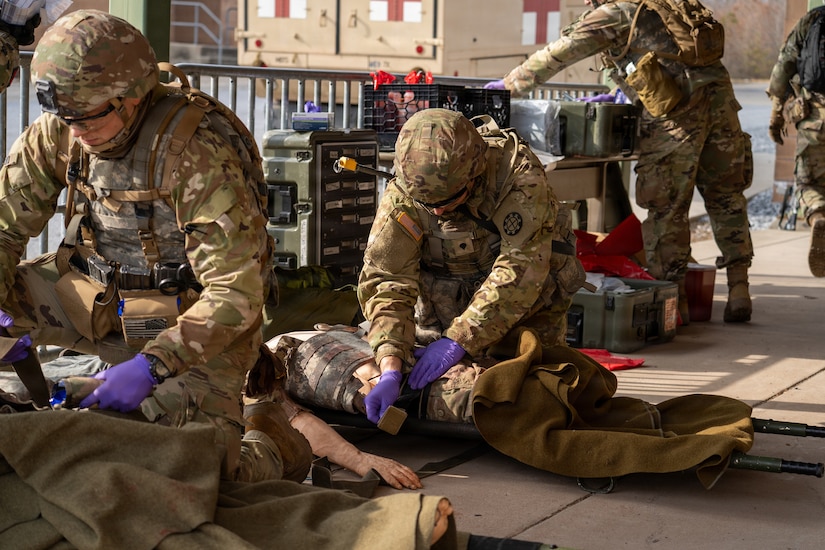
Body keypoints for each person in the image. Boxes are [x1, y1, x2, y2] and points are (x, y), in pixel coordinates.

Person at [0, 9, 312, 484]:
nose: (76, 130)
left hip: (194, 323)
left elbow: (235, 293)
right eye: (65, 116)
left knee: (194, 472)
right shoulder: (63, 128)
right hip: (90, 296)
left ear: (129, 98)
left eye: (86, 117)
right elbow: (4, 227)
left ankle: (272, 442)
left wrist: (152, 366)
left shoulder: (196, 152)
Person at [485, 0, 754, 324]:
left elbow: (561, 52)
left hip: (677, 117)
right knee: (727, 198)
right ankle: (739, 288)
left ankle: (674, 303)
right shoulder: (663, 6)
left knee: (667, 209)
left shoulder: (618, 13)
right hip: (721, 105)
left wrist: (509, 85)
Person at [357, 108, 586, 425]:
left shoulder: (518, 178)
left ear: (474, 175)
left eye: (447, 200)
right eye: (429, 205)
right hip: (444, 304)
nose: (438, 213)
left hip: (526, 309)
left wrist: (459, 340)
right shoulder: (408, 190)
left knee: (536, 390)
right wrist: (390, 361)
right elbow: (387, 279)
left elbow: (520, 271)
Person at [767, 5, 825, 277]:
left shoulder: (815, 17)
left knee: (808, 181)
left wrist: (777, 113)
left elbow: (784, 64)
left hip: (816, 118)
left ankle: (817, 215)